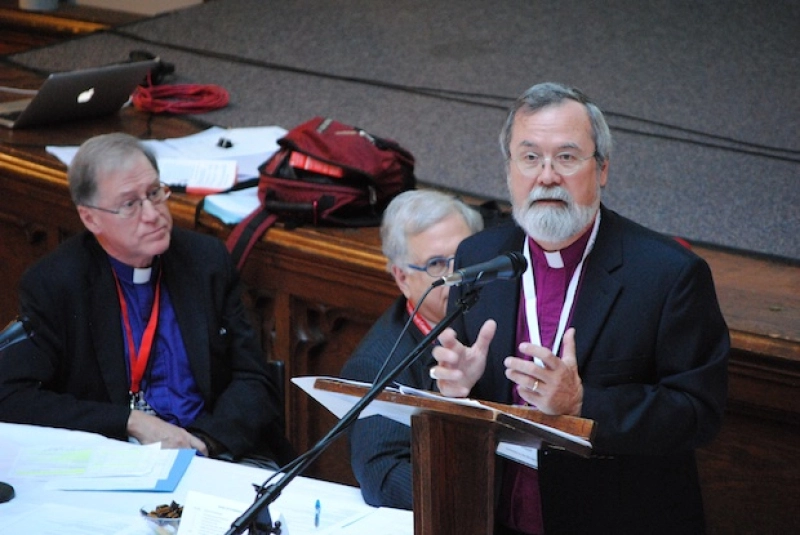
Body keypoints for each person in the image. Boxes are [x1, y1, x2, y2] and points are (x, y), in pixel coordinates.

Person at [431, 83, 730, 534]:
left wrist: (582, 402)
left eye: (567, 157)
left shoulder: (668, 274)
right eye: (529, 158)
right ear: (509, 169)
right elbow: (456, 397)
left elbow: (697, 413)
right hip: (491, 515)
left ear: (603, 168)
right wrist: (459, 388)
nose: (546, 176)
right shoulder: (478, 256)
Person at [0, 133, 293, 466]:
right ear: (90, 217)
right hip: (114, 460)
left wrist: (203, 441)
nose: (153, 214)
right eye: (130, 204)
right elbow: (9, 395)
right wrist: (129, 421)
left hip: (216, 451)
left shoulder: (205, 261)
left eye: (155, 193)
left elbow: (254, 380)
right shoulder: (58, 283)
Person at [340, 189, 484, 509]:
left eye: (464, 257)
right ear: (402, 278)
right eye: (436, 264)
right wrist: (481, 492)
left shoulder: (501, 309)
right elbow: (383, 475)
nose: (456, 276)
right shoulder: (378, 363)